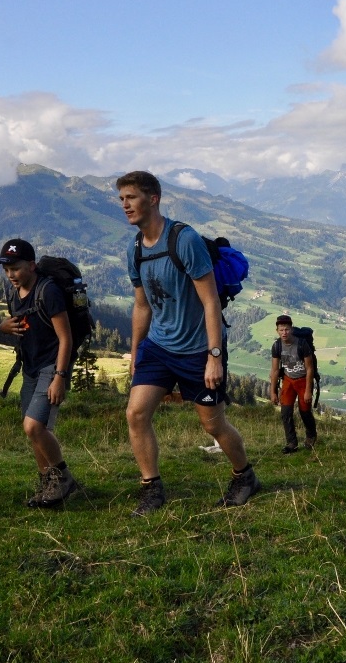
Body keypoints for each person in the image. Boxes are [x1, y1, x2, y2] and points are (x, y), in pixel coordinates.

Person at [118, 170, 260, 515]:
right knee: (136, 414)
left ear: (154, 199)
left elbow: (211, 301)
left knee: (212, 423)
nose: (125, 205)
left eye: (132, 197)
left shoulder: (184, 240)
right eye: (121, 199)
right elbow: (141, 304)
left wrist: (214, 356)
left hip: (198, 348)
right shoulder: (135, 249)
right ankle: (151, 488)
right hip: (159, 346)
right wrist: (137, 350)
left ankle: (244, 476)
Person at [0, 238, 81, 508]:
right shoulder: (13, 293)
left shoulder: (48, 291)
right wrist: (2, 327)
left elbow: (66, 338)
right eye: (6, 270)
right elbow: (19, 325)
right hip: (29, 368)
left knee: (34, 426)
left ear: (31, 265)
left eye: (15, 269)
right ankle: (48, 485)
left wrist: (60, 377)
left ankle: (63, 479)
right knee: (34, 431)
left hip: (51, 366)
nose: (10, 276)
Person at [269, 314, 317, 453]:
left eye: (287, 329)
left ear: (292, 329)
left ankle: (311, 435)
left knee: (305, 411)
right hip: (288, 381)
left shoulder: (302, 344)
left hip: (303, 380)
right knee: (285, 412)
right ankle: (291, 443)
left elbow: (310, 369)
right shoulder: (277, 345)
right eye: (281, 330)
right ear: (277, 330)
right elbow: (275, 370)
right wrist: (272, 392)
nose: (284, 333)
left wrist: (308, 390)